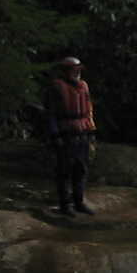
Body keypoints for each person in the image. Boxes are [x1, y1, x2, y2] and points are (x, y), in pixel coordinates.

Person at [47, 56, 96, 216]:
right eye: (74, 70)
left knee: (81, 169)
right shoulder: (56, 87)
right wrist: (55, 135)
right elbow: (51, 114)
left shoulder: (84, 86)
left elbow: (88, 111)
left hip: (82, 133)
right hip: (65, 134)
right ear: (65, 71)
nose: (77, 73)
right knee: (64, 171)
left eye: (78, 70)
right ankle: (65, 205)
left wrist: (91, 133)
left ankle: (79, 202)